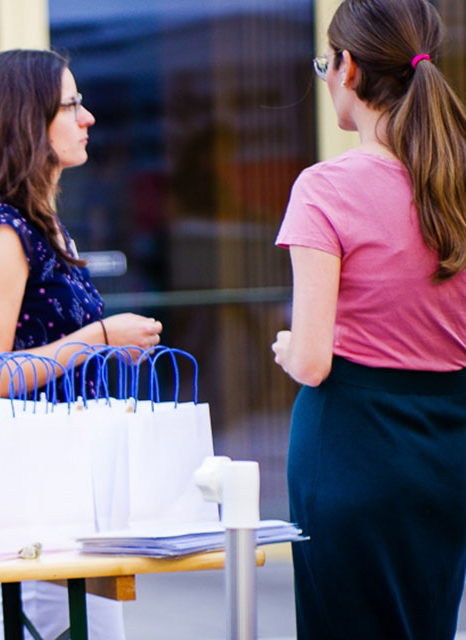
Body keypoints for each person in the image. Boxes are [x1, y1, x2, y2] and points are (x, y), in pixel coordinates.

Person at [0, 49, 163, 640]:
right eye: (71, 104)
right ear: (27, 120)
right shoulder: (4, 231)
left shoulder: (37, 223)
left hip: (66, 488)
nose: (87, 118)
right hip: (37, 497)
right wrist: (99, 338)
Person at [271, 0, 466, 637]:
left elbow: (311, 359)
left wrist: (285, 348)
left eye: (325, 63)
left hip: (353, 449)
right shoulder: (455, 184)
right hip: (448, 449)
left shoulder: (326, 188)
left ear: (349, 68)